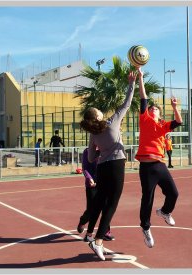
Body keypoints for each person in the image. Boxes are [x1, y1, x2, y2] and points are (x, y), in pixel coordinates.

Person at [79, 69, 136, 261]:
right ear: (97, 116)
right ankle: (98, 241)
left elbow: (92, 156)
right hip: (116, 165)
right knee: (111, 204)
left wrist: (101, 149)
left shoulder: (93, 135)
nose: (100, 110)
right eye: (98, 111)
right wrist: (131, 82)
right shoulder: (112, 122)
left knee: (101, 202)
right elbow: (127, 102)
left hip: (102, 168)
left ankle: (91, 235)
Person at [135, 69, 182, 249]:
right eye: (151, 107)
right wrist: (140, 77)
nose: (153, 108)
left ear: (159, 114)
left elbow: (178, 122)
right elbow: (143, 97)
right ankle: (146, 228)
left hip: (160, 165)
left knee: (174, 193)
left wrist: (175, 107)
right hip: (146, 168)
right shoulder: (144, 119)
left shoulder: (163, 126)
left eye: (156, 108)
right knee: (147, 198)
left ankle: (164, 212)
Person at [78, 147, 115, 242]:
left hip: (104, 183)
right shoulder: (88, 151)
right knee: (91, 209)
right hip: (91, 184)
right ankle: (83, 221)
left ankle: (105, 232)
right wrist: (89, 178)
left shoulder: (106, 149)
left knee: (106, 208)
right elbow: (85, 167)